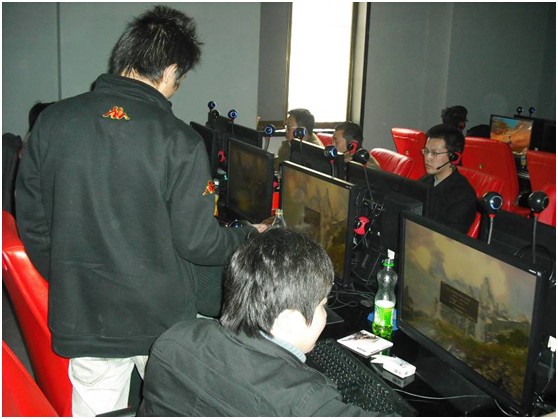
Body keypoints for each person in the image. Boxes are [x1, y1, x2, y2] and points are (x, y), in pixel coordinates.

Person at [15, 6, 266, 416]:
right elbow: (199, 243)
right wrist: (248, 236)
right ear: (170, 71)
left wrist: (70, 275)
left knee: (96, 407)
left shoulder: (52, 122)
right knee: (177, 408)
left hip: (85, 313)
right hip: (160, 321)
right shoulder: (178, 140)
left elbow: (33, 223)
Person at [138, 228, 384, 416]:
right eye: (322, 305)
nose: (325, 315)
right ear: (287, 320)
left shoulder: (174, 338)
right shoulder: (303, 402)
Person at [419, 124, 477, 234]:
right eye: (426, 151)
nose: (427, 158)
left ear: (453, 157)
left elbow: (449, 237)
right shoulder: (425, 181)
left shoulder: (463, 196)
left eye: (434, 153)